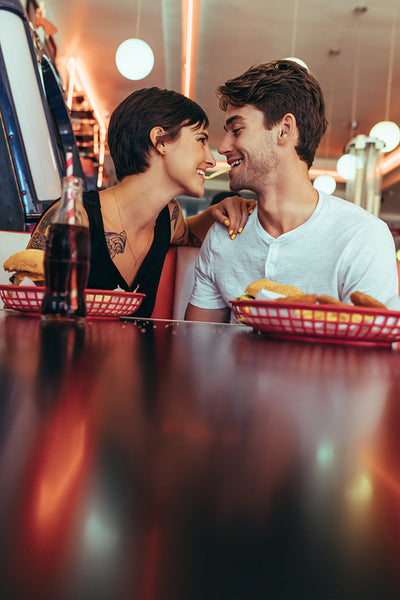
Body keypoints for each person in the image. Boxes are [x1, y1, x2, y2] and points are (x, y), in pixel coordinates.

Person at [185, 59, 399, 323]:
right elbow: (195, 345)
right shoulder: (221, 236)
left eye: (237, 130)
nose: (225, 146)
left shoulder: (363, 236)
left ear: (284, 130)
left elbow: (372, 355)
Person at [28, 87, 255, 317]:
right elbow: (29, 313)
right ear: (160, 141)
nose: (211, 160)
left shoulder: (169, 217)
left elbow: (187, 232)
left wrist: (222, 209)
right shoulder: (74, 219)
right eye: (201, 140)